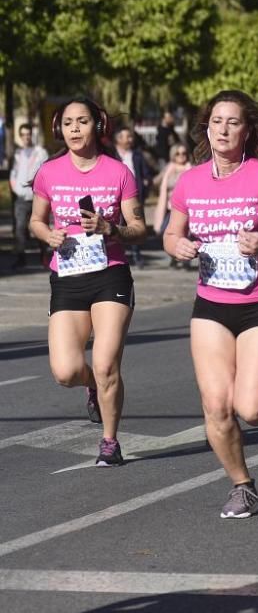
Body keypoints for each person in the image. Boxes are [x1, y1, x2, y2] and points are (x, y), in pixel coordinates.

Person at [163, 90, 258, 518]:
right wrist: (179, 247)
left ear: (247, 131)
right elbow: (171, 234)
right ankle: (242, 485)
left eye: (232, 122)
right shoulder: (190, 181)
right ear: (206, 128)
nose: (223, 129)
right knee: (216, 404)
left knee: (251, 406)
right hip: (211, 303)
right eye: (216, 121)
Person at [28, 97, 147, 464]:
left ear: (98, 125)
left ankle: (110, 441)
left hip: (109, 274)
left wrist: (110, 228)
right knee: (65, 371)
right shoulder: (49, 172)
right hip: (67, 276)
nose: (75, 128)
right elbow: (35, 220)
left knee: (106, 363)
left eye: (82, 121)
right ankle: (93, 386)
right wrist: (47, 236)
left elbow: (140, 228)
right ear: (59, 129)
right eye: (68, 123)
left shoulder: (119, 172)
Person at [9, 122, 48, 270]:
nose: (26, 137)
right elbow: (14, 173)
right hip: (21, 198)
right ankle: (21, 258)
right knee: (19, 229)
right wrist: (16, 188)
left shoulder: (40, 152)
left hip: (37, 197)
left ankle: (44, 256)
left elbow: (46, 172)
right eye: (23, 135)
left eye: (28, 134)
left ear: (32, 135)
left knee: (40, 227)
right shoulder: (18, 154)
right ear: (20, 137)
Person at [113, 127, 154, 268]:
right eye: (127, 137)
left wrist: (145, 185)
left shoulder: (137, 155)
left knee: (135, 226)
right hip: (115, 198)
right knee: (118, 227)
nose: (130, 139)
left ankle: (137, 255)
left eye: (131, 137)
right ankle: (118, 255)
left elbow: (147, 174)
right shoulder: (111, 155)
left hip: (134, 197)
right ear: (118, 139)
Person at [152, 143, 193, 267]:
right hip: (170, 208)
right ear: (173, 155)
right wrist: (166, 175)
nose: (181, 156)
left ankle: (186, 259)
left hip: (188, 208)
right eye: (178, 153)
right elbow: (155, 182)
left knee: (187, 233)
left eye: (184, 153)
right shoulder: (169, 168)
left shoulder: (191, 168)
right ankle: (174, 255)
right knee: (166, 231)